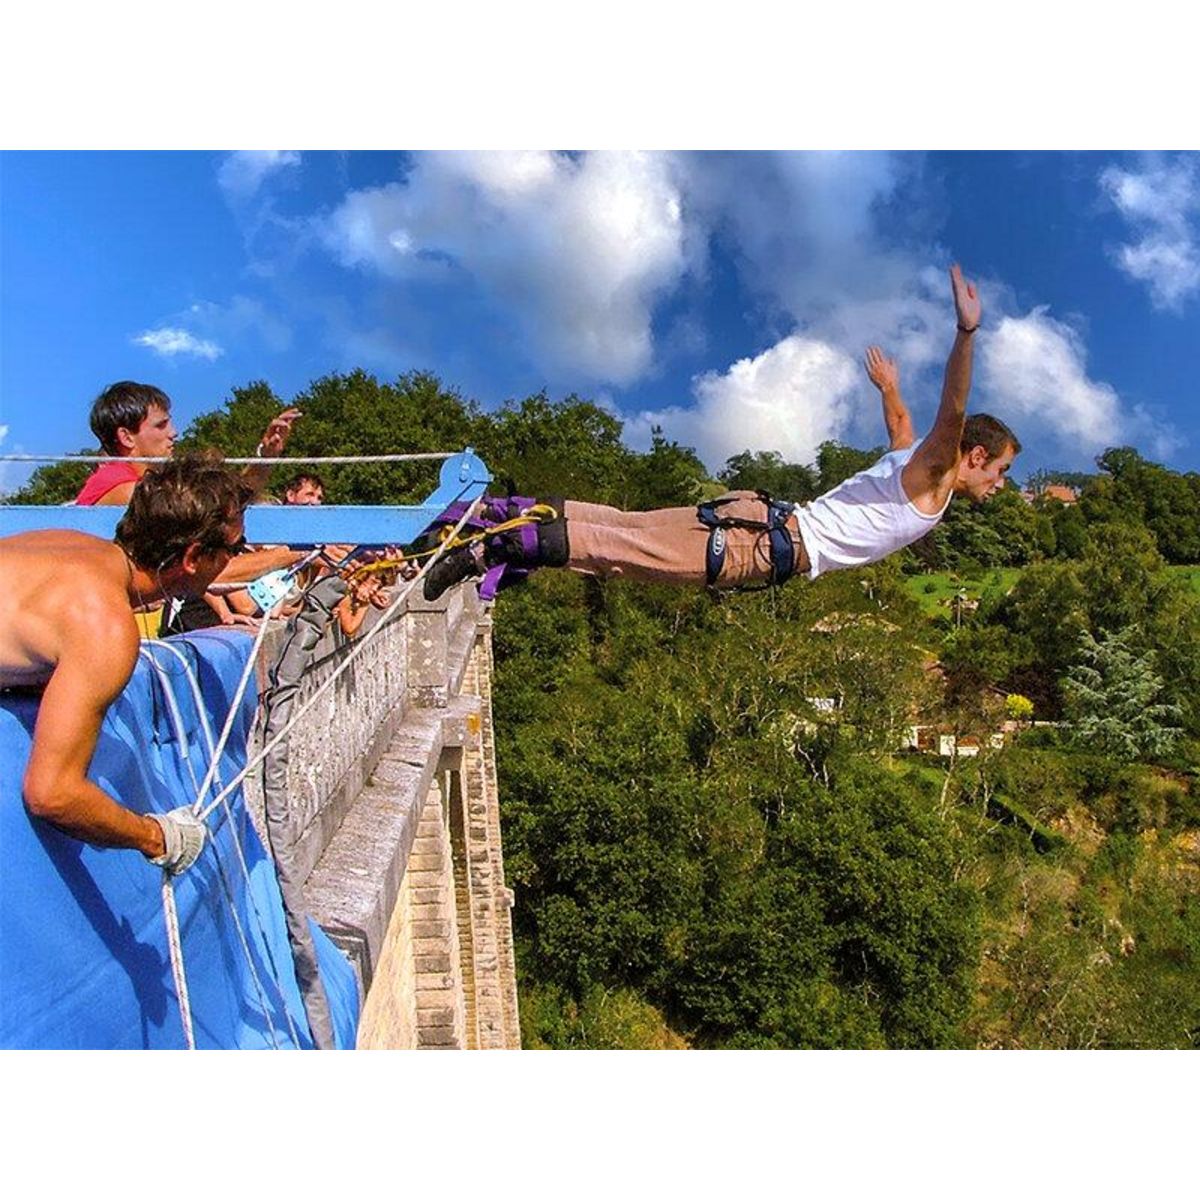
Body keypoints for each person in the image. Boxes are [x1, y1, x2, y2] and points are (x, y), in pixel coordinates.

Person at [423, 264, 1019, 600]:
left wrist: (888, 385)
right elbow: (951, 408)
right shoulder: (934, 480)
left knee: (623, 530)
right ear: (973, 455)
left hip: (758, 519)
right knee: (621, 551)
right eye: (1000, 470)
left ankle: (503, 515)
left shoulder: (909, 464)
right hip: (761, 544)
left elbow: (902, 425)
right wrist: (966, 336)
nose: (1001, 485)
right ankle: (493, 542)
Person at [1, 455, 266, 874]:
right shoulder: (106, 627)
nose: (234, 560)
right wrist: (157, 836)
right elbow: (51, 793)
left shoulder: (64, 542)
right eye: (232, 550)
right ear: (194, 557)